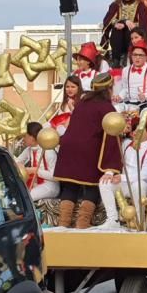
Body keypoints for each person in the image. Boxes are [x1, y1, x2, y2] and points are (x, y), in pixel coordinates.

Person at [54, 73, 122, 228]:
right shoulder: (107, 107)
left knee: (70, 186)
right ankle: (82, 223)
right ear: (109, 89)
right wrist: (111, 167)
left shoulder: (82, 103)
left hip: (69, 148)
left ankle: (62, 224)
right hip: (88, 150)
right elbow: (111, 137)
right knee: (92, 184)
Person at [98, 117, 147, 230]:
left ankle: (140, 221)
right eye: (135, 128)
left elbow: (145, 174)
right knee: (104, 183)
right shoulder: (126, 144)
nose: (136, 131)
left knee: (137, 186)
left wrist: (122, 177)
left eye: (140, 129)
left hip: (142, 184)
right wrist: (110, 173)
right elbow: (116, 159)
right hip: (124, 182)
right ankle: (112, 219)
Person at [101, 0, 147, 66]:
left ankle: (128, 56)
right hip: (118, 38)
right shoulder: (115, 5)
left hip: (132, 37)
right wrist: (119, 22)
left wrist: (130, 24)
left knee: (128, 30)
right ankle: (116, 60)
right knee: (117, 29)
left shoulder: (141, 5)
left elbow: (143, 25)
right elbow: (106, 21)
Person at [16, 121, 59, 202]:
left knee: (28, 197)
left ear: (31, 138)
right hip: (35, 183)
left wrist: (36, 171)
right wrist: (19, 166)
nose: (23, 139)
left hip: (50, 185)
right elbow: (17, 161)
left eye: (25, 136)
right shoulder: (29, 149)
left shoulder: (48, 151)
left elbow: (55, 176)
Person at [114, 40, 147, 110]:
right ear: (131, 56)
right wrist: (120, 96)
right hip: (129, 103)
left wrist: (145, 95)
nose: (137, 57)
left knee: (146, 114)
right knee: (115, 109)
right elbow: (125, 89)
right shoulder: (126, 70)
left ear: (146, 57)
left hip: (146, 103)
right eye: (135, 55)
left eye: (140, 55)